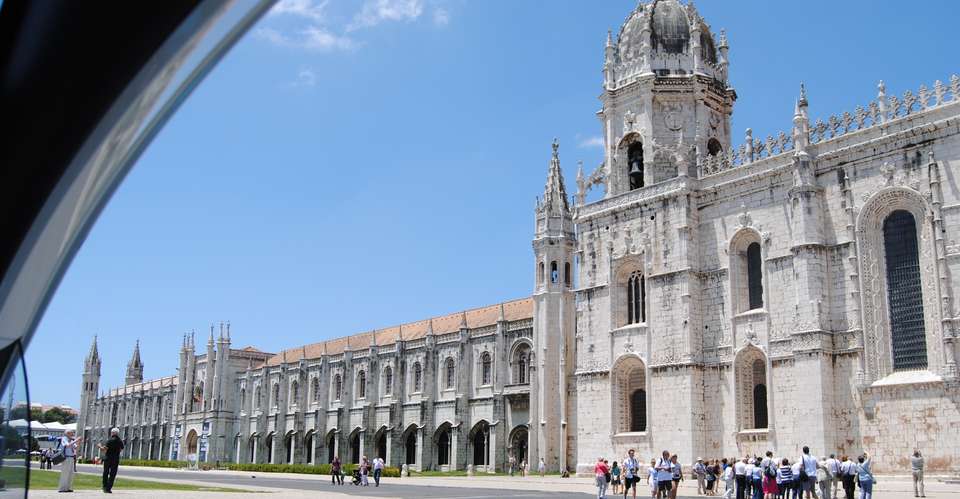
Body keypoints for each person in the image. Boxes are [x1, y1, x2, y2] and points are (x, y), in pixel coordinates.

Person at [97, 427, 124, 493]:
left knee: (106, 472)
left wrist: (99, 446)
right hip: (115, 458)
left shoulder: (109, 440)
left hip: (108, 458)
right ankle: (108, 488)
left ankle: (104, 486)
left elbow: (104, 449)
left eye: (111, 432)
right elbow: (121, 449)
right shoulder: (120, 441)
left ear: (113, 433)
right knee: (113, 473)